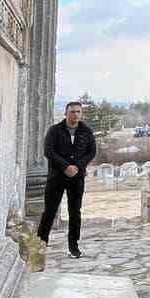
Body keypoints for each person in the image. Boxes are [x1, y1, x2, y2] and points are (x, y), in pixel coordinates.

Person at [38, 101, 95, 258]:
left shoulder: (86, 131)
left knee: (75, 212)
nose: (75, 114)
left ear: (81, 113)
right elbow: (48, 151)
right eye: (72, 112)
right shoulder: (54, 130)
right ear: (66, 113)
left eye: (78, 112)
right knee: (49, 211)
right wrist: (65, 167)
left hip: (76, 178)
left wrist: (77, 167)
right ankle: (40, 244)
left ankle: (73, 246)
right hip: (56, 176)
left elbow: (91, 152)